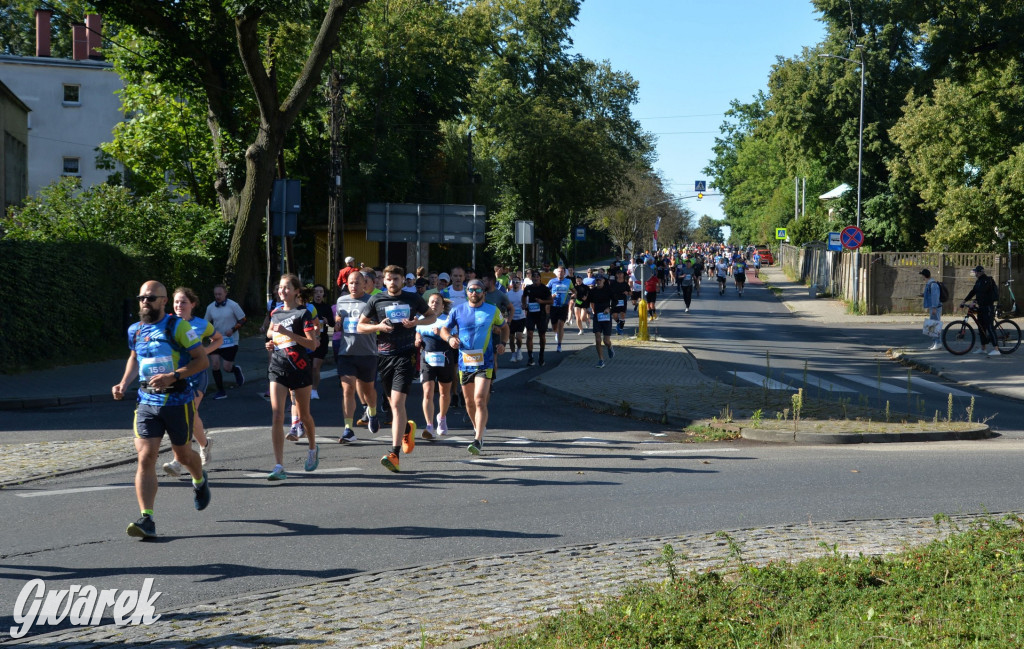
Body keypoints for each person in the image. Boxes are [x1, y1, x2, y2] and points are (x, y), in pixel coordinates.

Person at [113, 281, 211, 539]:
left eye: (151, 298)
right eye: (142, 297)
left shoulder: (178, 326)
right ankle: (147, 519)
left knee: (183, 455)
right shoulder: (135, 330)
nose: (145, 302)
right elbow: (135, 358)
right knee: (146, 457)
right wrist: (124, 383)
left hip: (177, 401)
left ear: (164, 301)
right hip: (147, 402)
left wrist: (173, 376)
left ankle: (199, 480)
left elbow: (202, 360)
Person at [358, 264, 436, 473]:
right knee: (393, 405)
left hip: (406, 355)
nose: (393, 283)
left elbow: (432, 316)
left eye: (396, 279)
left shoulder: (412, 299)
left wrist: (416, 323)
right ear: (383, 281)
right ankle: (407, 428)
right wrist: (378, 327)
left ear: (402, 280)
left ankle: (394, 454)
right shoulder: (376, 300)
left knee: (398, 403)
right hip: (384, 357)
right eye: (389, 279)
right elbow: (360, 326)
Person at [441, 279, 509, 454]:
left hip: (484, 362)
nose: (474, 293)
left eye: (478, 290)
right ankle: (478, 427)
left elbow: (505, 327)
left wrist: (503, 343)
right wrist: (450, 339)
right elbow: (444, 330)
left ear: (483, 293)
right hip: (465, 363)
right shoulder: (458, 310)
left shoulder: (492, 310)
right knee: (469, 403)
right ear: (467, 292)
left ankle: (478, 439)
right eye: (471, 289)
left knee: (479, 399)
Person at [163, 287, 223, 477]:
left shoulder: (202, 324)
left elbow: (218, 339)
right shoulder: (168, 323)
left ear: (193, 304)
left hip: (196, 375)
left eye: (183, 302)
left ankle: (177, 461)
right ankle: (205, 444)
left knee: (185, 414)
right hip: (175, 375)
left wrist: (204, 352)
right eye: (176, 302)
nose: (179, 305)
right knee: (190, 415)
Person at [266, 274, 321, 481]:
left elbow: (312, 344)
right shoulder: (276, 313)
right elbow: (272, 334)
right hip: (278, 368)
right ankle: (279, 465)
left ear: (297, 291)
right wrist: (271, 343)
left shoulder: (303, 314)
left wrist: (287, 334)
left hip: (299, 368)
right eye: (280, 288)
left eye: (286, 288)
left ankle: (312, 449)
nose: (282, 291)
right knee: (277, 415)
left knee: (305, 415)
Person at [335, 270, 379, 443]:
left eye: (357, 283)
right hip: (346, 353)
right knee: (348, 390)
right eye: (350, 283)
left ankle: (373, 412)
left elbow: (379, 323)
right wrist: (338, 322)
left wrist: (371, 325)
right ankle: (348, 429)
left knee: (368, 390)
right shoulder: (341, 300)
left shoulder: (372, 301)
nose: (353, 286)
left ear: (365, 284)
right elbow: (339, 315)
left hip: (367, 352)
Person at [416, 292, 454, 440]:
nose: (434, 304)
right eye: (431, 302)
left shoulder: (448, 320)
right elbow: (417, 333)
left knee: (444, 393)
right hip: (427, 359)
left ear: (442, 306)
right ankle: (429, 425)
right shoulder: (421, 319)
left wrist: (441, 334)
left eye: (437, 302)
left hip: (445, 358)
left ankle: (442, 418)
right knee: (427, 392)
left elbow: (455, 338)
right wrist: (417, 339)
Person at [204, 284, 246, 399]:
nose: (217, 296)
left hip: (231, 340)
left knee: (227, 368)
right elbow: (206, 324)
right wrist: (208, 334)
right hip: (216, 339)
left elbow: (243, 319)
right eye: (216, 294)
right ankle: (221, 391)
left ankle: (235, 369)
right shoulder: (210, 307)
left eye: (220, 294)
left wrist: (233, 329)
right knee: (215, 364)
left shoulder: (233, 305)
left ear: (225, 293)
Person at [961, 265, 1001, 356]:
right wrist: (964, 300)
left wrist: (975, 301)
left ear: (979, 272)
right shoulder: (978, 281)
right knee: (981, 327)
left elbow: (983, 294)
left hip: (988, 307)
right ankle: (983, 348)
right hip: (981, 307)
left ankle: (996, 349)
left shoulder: (986, 280)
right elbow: (973, 292)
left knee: (989, 327)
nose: (975, 273)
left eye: (975, 272)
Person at [522, 269, 553, 366]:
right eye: (533, 277)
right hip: (531, 314)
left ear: (540, 278)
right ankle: (530, 357)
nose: (535, 278)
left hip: (541, 315)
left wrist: (542, 302)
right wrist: (524, 304)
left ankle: (541, 355)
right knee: (529, 335)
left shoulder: (544, 288)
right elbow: (524, 296)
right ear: (531, 278)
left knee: (542, 335)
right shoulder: (528, 288)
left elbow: (551, 301)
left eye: (537, 277)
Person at [584, 274, 615, 368]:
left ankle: (609, 347)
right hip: (597, 317)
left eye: (600, 280)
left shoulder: (608, 290)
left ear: (603, 281)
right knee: (598, 339)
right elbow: (587, 301)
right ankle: (601, 360)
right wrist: (588, 308)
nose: (598, 281)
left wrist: (609, 309)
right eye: (597, 280)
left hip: (606, 317)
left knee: (606, 341)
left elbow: (615, 301)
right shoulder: (592, 291)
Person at [309, 284, 332, 399]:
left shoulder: (327, 307)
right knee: (308, 366)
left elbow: (333, 323)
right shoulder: (308, 307)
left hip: (322, 339)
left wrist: (327, 321)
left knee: (315, 366)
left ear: (324, 294)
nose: (318, 294)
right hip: (309, 339)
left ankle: (314, 390)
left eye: (321, 292)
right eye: (316, 292)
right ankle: (306, 388)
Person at [547, 265, 573, 352]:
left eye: (562, 272)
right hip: (554, 306)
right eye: (559, 271)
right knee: (554, 326)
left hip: (563, 306)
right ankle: (556, 333)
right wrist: (551, 296)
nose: (560, 273)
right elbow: (545, 291)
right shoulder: (552, 281)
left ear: (564, 273)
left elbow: (574, 291)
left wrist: (573, 295)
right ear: (556, 272)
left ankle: (559, 345)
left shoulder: (568, 281)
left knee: (561, 324)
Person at [920, 269, 942, 351]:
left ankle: (938, 343)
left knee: (935, 325)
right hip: (933, 307)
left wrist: (934, 308)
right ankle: (935, 342)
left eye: (922, 275)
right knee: (932, 325)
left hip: (935, 307)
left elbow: (935, 297)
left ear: (924, 275)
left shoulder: (933, 284)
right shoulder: (930, 284)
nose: (922, 277)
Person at [506, 276, 527, 361]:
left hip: (521, 318)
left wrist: (524, 306)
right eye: (513, 282)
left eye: (517, 282)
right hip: (511, 319)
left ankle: (519, 350)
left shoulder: (523, 294)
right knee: (511, 338)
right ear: (511, 283)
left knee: (518, 337)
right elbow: (505, 306)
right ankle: (513, 354)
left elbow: (526, 305)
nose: (515, 284)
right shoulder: (508, 294)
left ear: (520, 283)